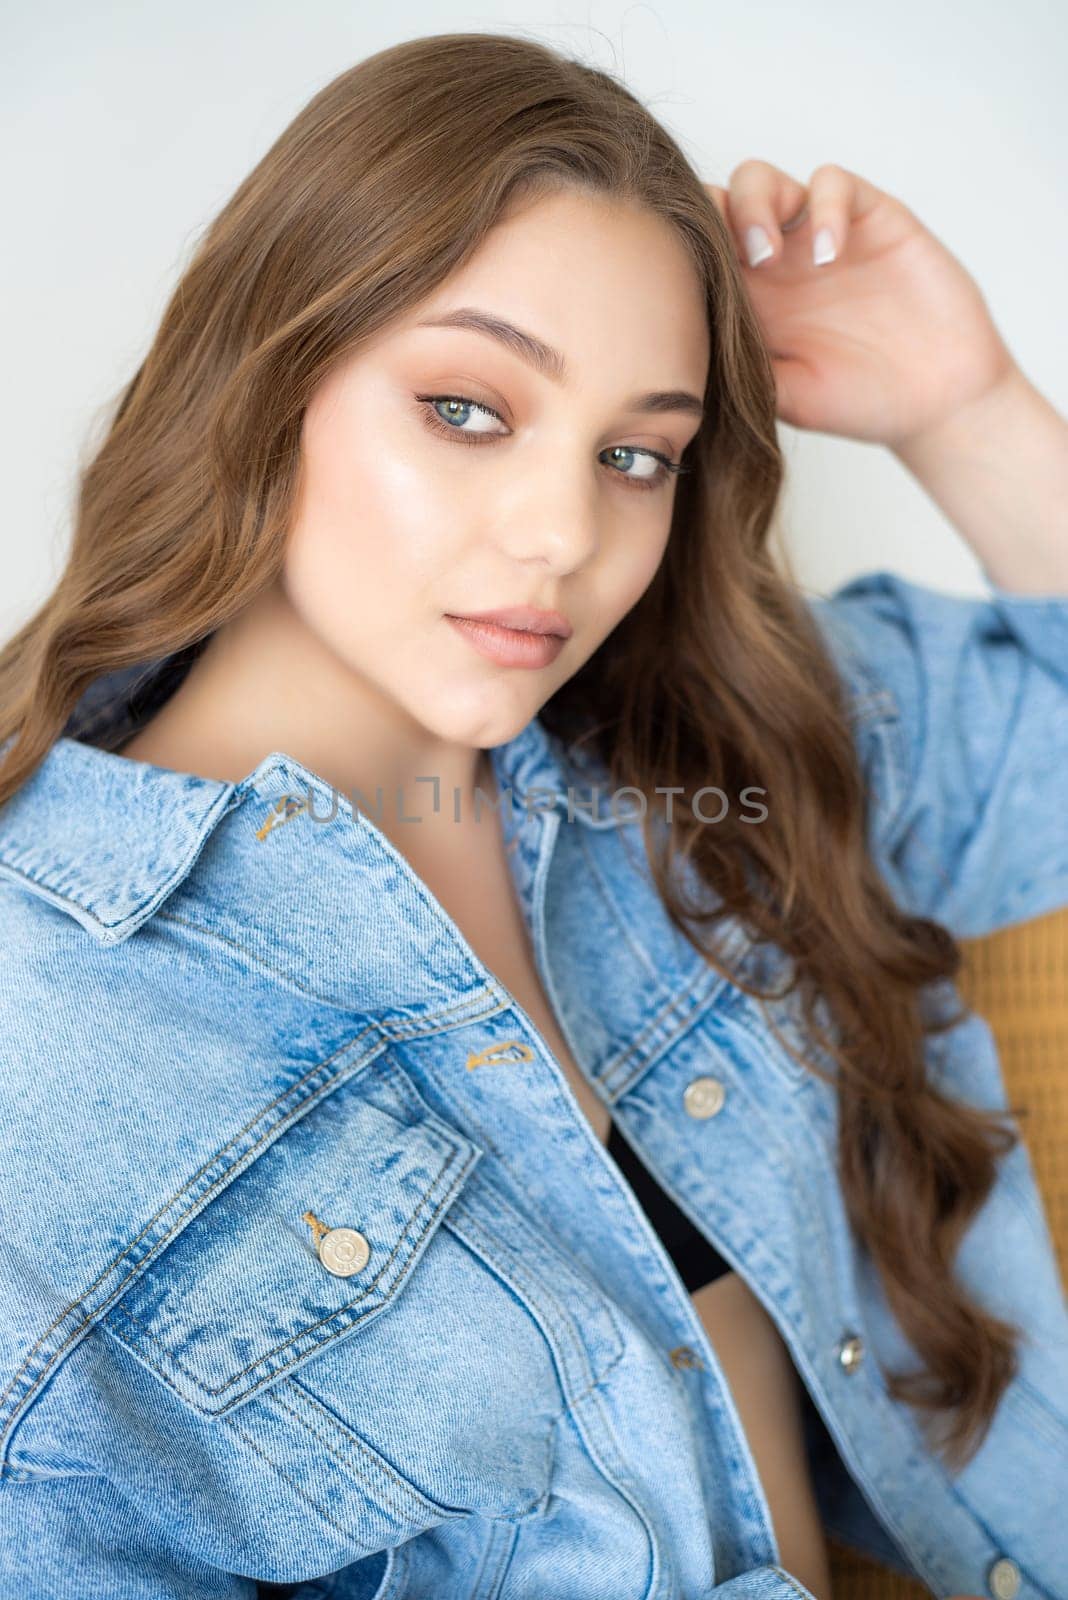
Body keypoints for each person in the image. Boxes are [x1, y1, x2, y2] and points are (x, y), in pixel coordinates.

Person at [0, 30, 1065, 1600]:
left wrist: (965, 406)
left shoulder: (705, 759)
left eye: (639, 453)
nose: (566, 533)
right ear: (266, 376)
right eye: (468, 409)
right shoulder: (53, 1034)